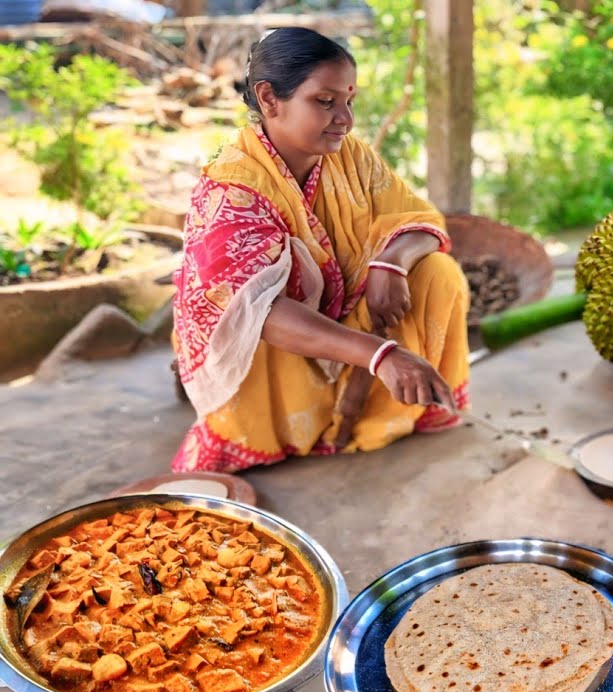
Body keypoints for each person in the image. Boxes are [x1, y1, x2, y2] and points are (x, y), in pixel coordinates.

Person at [170, 27, 470, 473]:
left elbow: (418, 219)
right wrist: (380, 354)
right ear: (269, 99)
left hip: (342, 319)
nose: (344, 118)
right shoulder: (233, 191)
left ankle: (385, 415)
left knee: (438, 273)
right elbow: (254, 313)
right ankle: (293, 429)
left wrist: (392, 261)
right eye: (325, 102)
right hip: (271, 346)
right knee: (252, 320)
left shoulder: (351, 157)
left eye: (349, 101)